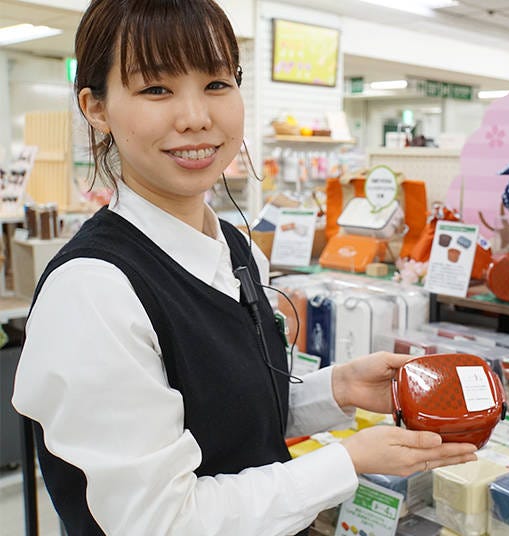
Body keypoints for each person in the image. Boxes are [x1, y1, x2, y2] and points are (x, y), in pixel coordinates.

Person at [11, 1, 478, 534]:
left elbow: (224, 421)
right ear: (96, 108)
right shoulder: (94, 292)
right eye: (156, 89)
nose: (196, 117)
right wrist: (347, 461)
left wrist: (337, 390)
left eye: (216, 83)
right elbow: (162, 521)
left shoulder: (236, 249)